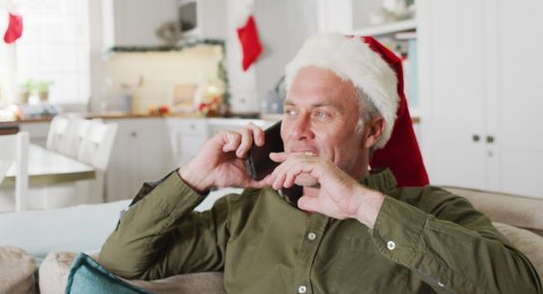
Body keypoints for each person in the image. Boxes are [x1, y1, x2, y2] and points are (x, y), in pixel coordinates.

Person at [99, 34, 542, 293]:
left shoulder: (430, 209)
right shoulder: (243, 213)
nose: (297, 130)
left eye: (322, 113)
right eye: (291, 111)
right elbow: (120, 261)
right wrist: (196, 178)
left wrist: (360, 204)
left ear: (371, 131)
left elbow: (520, 285)